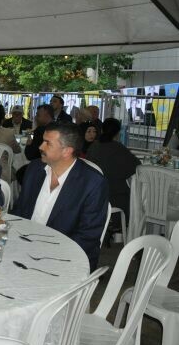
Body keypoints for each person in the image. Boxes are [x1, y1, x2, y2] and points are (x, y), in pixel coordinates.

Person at [13, 122, 108, 271]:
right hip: (25, 250)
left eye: (48, 143)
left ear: (66, 151)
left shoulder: (92, 183)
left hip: (67, 258)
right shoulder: (34, 169)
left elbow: (88, 235)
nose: (40, 147)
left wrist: (45, 253)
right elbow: (19, 211)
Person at [86, 118, 140, 219]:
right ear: (118, 133)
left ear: (102, 130)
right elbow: (136, 167)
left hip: (92, 196)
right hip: (115, 198)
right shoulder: (119, 149)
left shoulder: (93, 147)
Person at [16, 104, 54, 184]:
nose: (36, 117)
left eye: (38, 115)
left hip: (43, 166)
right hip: (56, 165)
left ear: (47, 116)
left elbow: (30, 155)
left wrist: (29, 144)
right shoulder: (58, 127)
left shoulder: (41, 130)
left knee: (20, 173)